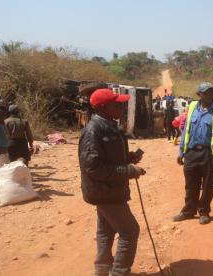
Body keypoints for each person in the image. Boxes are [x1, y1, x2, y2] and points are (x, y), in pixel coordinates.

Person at [78, 88, 146, 276]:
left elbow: (108, 158)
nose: (121, 106)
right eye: (117, 103)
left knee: (105, 232)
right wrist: (129, 170)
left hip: (110, 189)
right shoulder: (93, 130)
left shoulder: (109, 125)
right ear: (104, 107)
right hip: (104, 191)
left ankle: (102, 270)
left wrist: (129, 158)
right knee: (130, 232)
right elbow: (93, 167)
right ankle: (119, 272)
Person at [173, 82, 213, 225]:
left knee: (208, 185)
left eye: (212, 92)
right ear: (199, 95)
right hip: (191, 152)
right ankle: (188, 211)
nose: (211, 95)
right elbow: (186, 130)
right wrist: (181, 151)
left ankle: (203, 211)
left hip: (210, 154)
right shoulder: (192, 107)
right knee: (191, 184)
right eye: (207, 92)